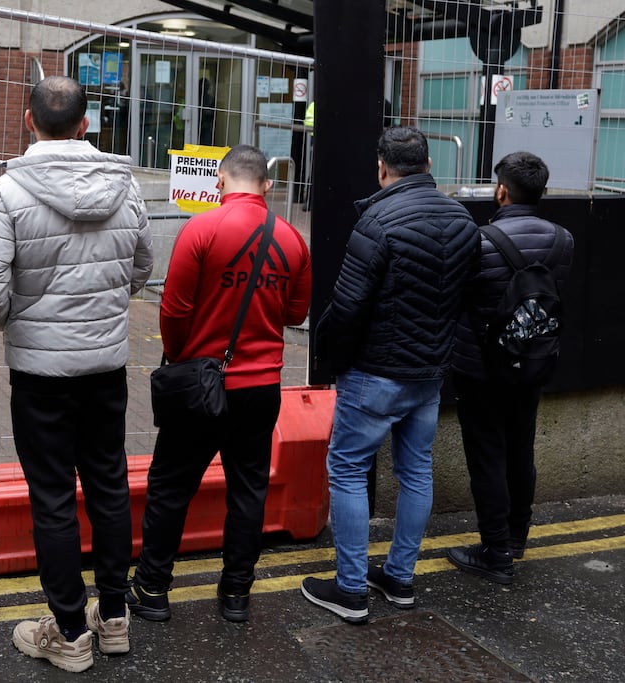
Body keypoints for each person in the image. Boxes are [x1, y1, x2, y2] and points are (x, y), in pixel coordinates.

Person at [0, 75, 153, 673]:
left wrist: (22, 321)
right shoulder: (127, 186)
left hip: (40, 372)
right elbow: (142, 267)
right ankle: (114, 619)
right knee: (110, 487)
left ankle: (70, 631)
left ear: (27, 120)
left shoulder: (6, 192)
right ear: (86, 124)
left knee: (52, 498)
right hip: (106, 365)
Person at [127, 144, 312, 624]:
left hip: (202, 382)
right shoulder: (292, 239)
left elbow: (174, 309)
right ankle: (235, 595)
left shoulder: (201, 229)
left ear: (221, 182)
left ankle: (151, 590)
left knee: (171, 485)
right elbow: (295, 313)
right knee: (248, 489)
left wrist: (183, 356)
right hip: (261, 388)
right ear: (267, 186)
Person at [302, 126, 478, 624]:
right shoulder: (464, 220)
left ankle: (352, 589)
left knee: (348, 468)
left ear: (382, 167)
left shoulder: (378, 220)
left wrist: (331, 361)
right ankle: (400, 578)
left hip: (375, 372)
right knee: (415, 471)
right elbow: (469, 295)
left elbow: (349, 305)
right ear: (426, 164)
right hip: (429, 373)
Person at [447, 151, 574, 584]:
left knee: (486, 456)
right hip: (533, 363)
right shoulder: (563, 240)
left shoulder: (480, 241)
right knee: (521, 448)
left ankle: (495, 550)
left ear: (501, 191)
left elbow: (462, 297)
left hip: (480, 368)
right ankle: (517, 537)